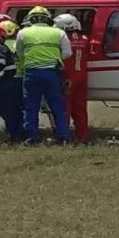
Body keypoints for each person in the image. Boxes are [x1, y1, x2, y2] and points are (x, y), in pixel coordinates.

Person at [16, 6, 72, 144]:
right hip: (51, 73)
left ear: (30, 18)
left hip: (31, 73)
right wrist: (54, 58)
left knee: (31, 107)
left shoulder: (23, 33)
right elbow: (68, 53)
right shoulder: (58, 32)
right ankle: (63, 137)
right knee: (57, 107)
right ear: (48, 18)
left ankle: (32, 137)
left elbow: (19, 52)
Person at [54, 13, 90, 143]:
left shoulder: (62, 39)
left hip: (67, 77)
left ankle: (64, 136)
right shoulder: (85, 38)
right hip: (82, 76)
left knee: (65, 108)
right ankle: (83, 136)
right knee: (80, 108)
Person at [0, 19, 26, 143]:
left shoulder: (0, 47)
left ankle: (13, 132)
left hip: (5, 80)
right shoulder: (20, 44)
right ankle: (23, 131)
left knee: (8, 109)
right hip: (21, 79)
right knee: (23, 107)